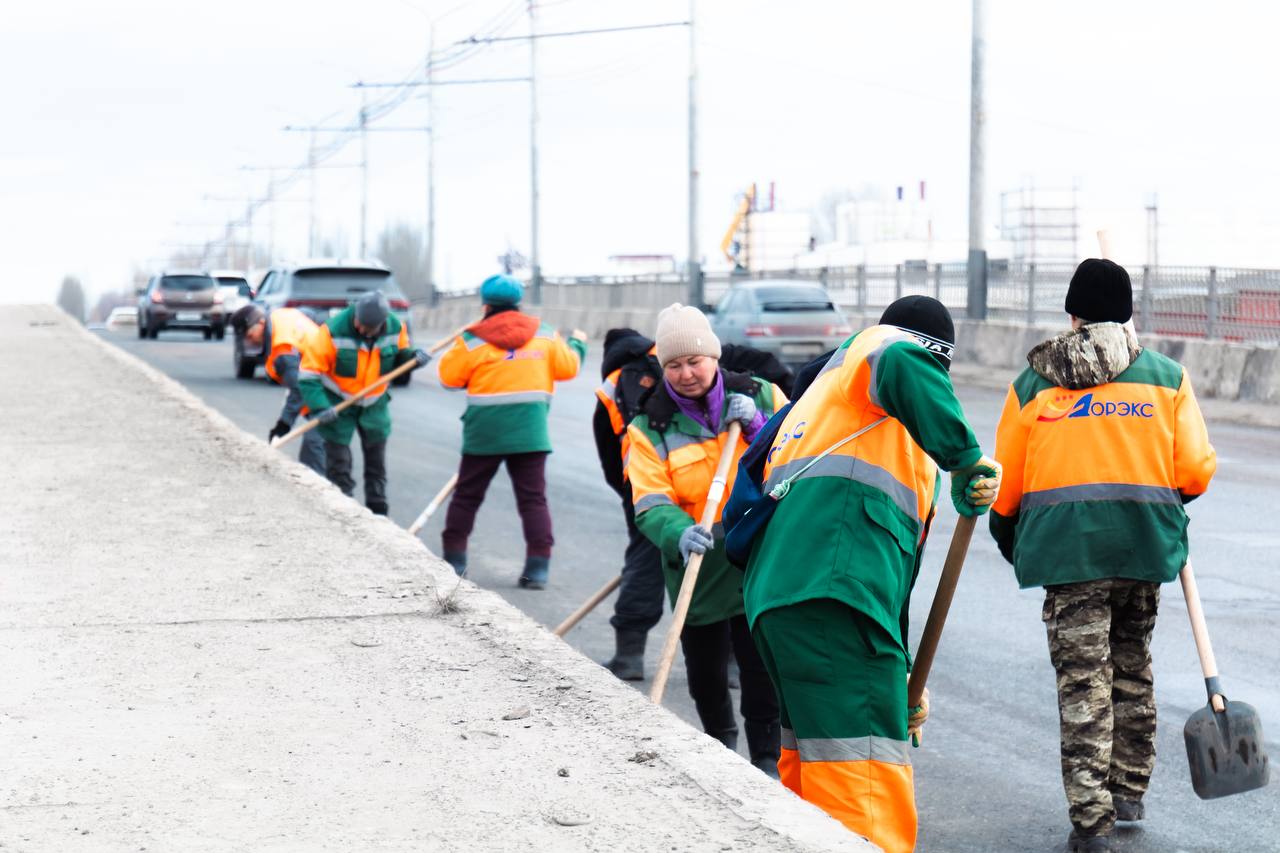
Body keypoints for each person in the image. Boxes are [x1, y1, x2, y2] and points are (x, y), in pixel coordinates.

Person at [741, 295, 1000, 853]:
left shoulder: (838, 409)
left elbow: (889, 575)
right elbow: (904, 359)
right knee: (863, 790)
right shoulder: (883, 348)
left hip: (799, 600)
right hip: (831, 596)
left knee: (813, 776)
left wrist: (900, 678)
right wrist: (966, 457)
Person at [989, 259, 1216, 853]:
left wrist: (1010, 537)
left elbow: (1004, 484)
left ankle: (1092, 820)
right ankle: (1128, 789)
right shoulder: (1167, 378)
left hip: (1068, 556)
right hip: (1142, 548)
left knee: (1083, 681)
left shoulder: (1033, 383)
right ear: (1129, 314)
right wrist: (1160, 504)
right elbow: (1193, 471)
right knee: (1132, 663)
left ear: (1072, 316)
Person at [627, 303, 788, 776]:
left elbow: (799, 454)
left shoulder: (762, 395)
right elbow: (650, 501)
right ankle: (721, 752)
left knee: (761, 668)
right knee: (706, 674)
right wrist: (678, 532)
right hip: (698, 563)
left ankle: (765, 759)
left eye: (694, 361)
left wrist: (759, 426)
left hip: (756, 554)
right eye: (673, 365)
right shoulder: (648, 426)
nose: (686, 373)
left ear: (714, 357)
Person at [437, 274, 587, 589]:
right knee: (533, 500)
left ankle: (454, 560)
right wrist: (578, 345)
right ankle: (538, 568)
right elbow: (569, 368)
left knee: (466, 497)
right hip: (530, 433)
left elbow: (448, 378)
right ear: (518, 302)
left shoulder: (472, 339)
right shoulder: (545, 335)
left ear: (486, 304)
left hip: (484, 434)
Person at [299, 290, 428, 515]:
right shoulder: (332, 331)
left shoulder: (396, 328)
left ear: (381, 324)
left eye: (366, 328)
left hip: (374, 404)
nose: (360, 328)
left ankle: (378, 512)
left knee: (376, 464)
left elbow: (400, 359)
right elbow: (309, 373)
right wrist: (319, 407)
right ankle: (343, 511)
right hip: (337, 402)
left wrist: (414, 359)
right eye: (358, 323)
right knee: (339, 464)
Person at [592, 328, 665, 680]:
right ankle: (730, 664)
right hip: (705, 474)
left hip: (644, 481)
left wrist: (627, 493)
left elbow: (607, 449)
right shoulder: (681, 364)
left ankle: (629, 656)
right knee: (714, 567)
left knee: (644, 560)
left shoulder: (614, 382)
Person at [234, 304, 326, 475]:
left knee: (313, 446)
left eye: (250, 335)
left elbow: (299, 388)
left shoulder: (282, 349)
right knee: (327, 443)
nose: (251, 341)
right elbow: (310, 315)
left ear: (260, 323)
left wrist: (283, 424)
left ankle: (325, 492)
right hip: (324, 376)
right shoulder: (281, 316)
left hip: (329, 384)